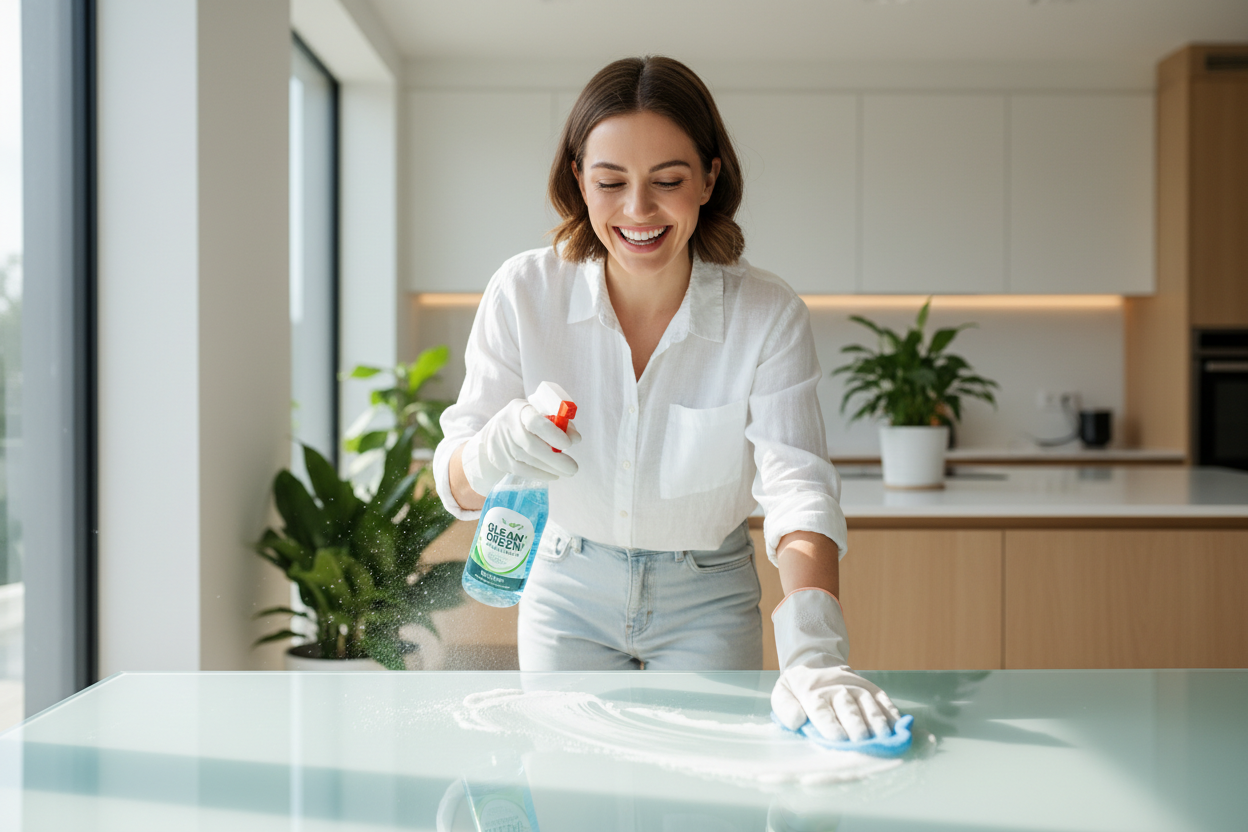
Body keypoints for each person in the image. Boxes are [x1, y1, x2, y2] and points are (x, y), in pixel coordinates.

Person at [433, 56, 899, 743]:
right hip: (565, 591)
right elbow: (454, 488)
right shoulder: (523, 293)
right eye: (611, 181)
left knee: (705, 798)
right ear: (576, 180)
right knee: (572, 798)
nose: (638, 211)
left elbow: (797, 488)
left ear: (710, 177)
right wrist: (487, 453)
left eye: (668, 181)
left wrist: (814, 649)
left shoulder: (765, 313)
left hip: (708, 598)